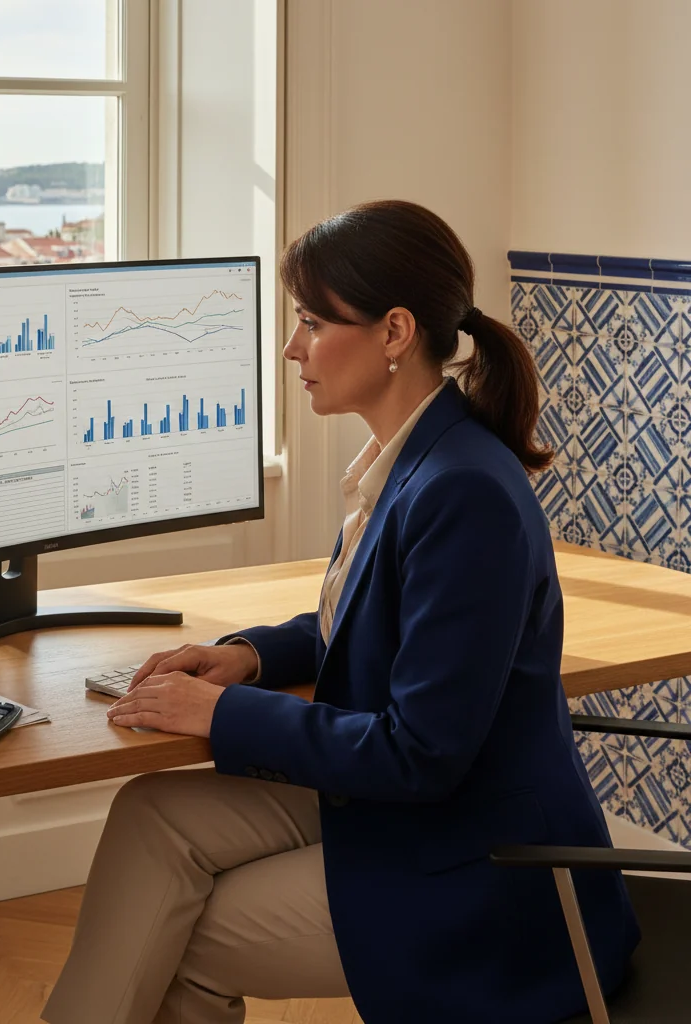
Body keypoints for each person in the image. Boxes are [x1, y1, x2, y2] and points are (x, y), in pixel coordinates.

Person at [41, 200, 639, 1024]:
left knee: (169, 933)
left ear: (395, 333)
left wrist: (219, 713)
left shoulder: (462, 492)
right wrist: (250, 657)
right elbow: (373, 622)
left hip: (480, 868)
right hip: (415, 810)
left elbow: (419, 754)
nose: (293, 347)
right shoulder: (414, 459)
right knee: (151, 815)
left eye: (314, 322)